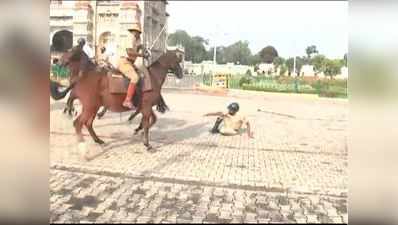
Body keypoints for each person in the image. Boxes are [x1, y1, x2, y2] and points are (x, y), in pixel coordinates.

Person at [110, 23, 150, 109]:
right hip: (123, 62)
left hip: (130, 63)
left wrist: (142, 48)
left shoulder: (135, 41)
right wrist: (142, 55)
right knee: (135, 77)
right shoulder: (130, 38)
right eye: (138, 33)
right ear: (135, 32)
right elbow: (129, 52)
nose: (139, 35)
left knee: (142, 75)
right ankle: (127, 100)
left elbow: (137, 48)